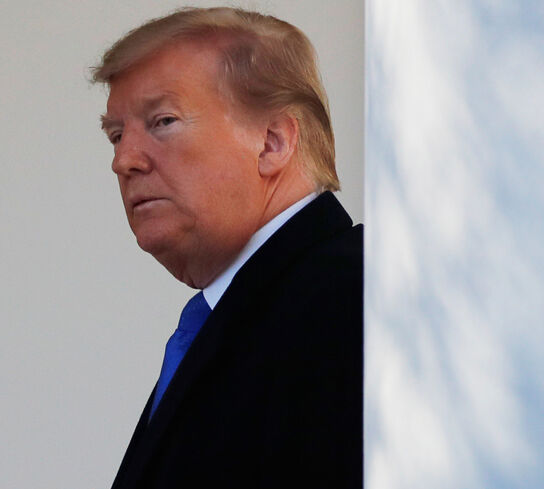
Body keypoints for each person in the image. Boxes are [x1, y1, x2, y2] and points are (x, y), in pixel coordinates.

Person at [91, 7, 362, 489]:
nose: (123, 160)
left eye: (163, 121)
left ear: (272, 142)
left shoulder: (358, 299)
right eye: (116, 135)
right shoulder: (251, 310)